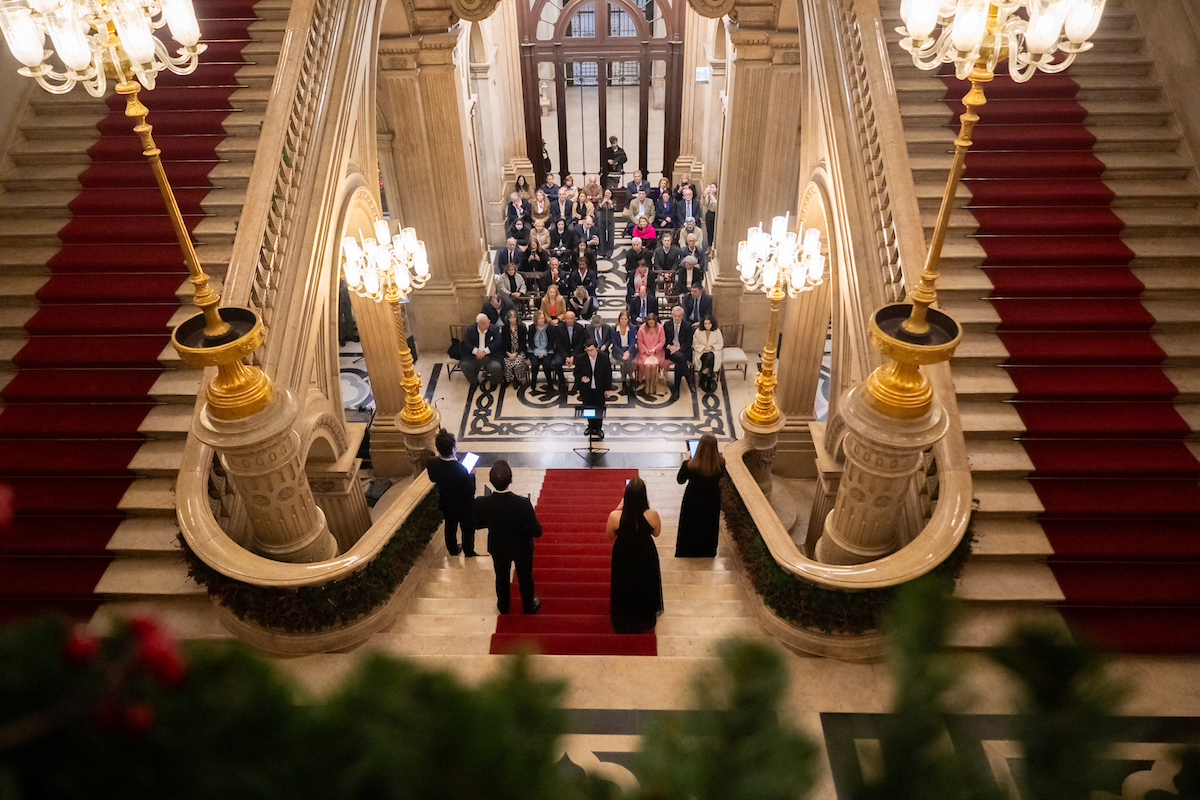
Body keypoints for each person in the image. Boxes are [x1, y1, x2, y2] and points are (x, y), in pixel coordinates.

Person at [474, 460, 541, 615]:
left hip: (498, 547)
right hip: (522, 548)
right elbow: (536, 531)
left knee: (501, 577)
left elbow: (477, 524)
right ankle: (528, 605)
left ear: (490, 481)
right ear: (511, 479)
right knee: (525, 577)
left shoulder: (482, 503)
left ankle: (503, 607)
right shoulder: (523, 504)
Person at [606, 477, 663, 634]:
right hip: (645, 552)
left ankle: (625, 609)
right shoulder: (653, 515)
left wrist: (620, 507)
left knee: (624, 580)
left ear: (626, 496)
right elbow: (656, 534)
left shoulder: (614, 516)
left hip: (623, 553)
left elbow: (610, 536)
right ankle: (643, 609)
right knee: (644, 580)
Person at [426, 429, 477, 557]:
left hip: (446, 502)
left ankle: (453, 548)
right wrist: (471, 476)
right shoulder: (461, 470)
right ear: (453, 448)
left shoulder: (432, 463)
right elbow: (470, 492)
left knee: (450, 525)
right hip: (463, 505)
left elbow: (433, 478)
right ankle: (468, 550)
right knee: (467, 528)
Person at [674, 434, 726, 557]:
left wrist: (686, 460)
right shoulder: (720, 463)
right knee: (709, 525)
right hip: (712, 498)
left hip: (693, 499)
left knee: (690, 525)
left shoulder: (691, 465)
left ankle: (686, 551)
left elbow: (680, 480)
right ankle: (707, 551)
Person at [577, 340, 612, 438]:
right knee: (588, 407)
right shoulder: (581, 358)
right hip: (586, 389)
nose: (589, 352)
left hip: (599, 388)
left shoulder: (604, 358)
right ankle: (590, 426)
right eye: (587, 350)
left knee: (599, 408)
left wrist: (607, 388)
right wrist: (581, 378)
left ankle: (598, 428)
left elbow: (608, 374)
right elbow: (576, 372)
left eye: (591, 350)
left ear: (597, 348)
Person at [552, 309, 588, 395]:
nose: (569, 320)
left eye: (571, 318)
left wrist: (573, 356)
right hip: (563, 351)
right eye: (567, 318)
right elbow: (559, 344)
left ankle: (577, 383)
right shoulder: (559, 328)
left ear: (574, 319)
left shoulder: (579, 328)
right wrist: (566, 357)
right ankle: (562, 381)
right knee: (557, 362)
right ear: (564, 319)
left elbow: (580, 343)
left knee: (581, 361)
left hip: (576, 351)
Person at [461, 313, 502, 388]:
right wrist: (476, 351)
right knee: (464, 365)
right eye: (484, 323)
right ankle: (474, 381)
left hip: (490, 355)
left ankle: (494, 381)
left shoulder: (494, 329)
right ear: (478, 323)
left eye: (488, 322)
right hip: (473, 355)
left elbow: (498, 342)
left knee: (496, 367)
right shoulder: (470, 330)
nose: (487, 324)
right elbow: (466, 343)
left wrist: (485, 351)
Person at [662, 305, 694, 400]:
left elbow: (688, 343)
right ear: (672, 315)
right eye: (675, 316)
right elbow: (663, 341)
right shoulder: (667, 325)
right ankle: (688, 379)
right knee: (680, 360)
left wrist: (678, 348)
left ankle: (676, 388)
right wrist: (669, 347)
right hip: (670, 351)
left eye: (679, 316)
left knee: (679, 362)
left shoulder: (687, 326)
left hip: (683, 351)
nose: (677, 318)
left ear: (682, 316)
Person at [635, 312, 665, 396]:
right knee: (647, 365)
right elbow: (639, 342)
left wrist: (654, 349)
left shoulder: (660, 327)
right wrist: (646, 350)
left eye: (653, 323)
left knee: (654, 365)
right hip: (645, 352)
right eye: (649, 323)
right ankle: (647, 384)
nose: (651, 325)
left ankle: (652, 384)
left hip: (657, 352)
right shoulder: (642, 328)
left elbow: (662, 341)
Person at [693, 315, 723, 393]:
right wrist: (704, 348)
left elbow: (720, 343)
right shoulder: (698, 331)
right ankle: (709, 378)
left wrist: (712, 347)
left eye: (709, 323)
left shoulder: (717, 331)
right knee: (709, 357)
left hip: (713, 351)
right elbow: (695, 343)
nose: (707, 325)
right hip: (701, 352)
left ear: (712, 323)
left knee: (711, 356)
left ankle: (704, 373)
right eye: (705, 324)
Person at [611, 308, 638, 395]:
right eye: (622, 319)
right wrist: (623, 353)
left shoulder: (633, 328)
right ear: (619, 319)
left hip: (630, 350)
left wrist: (628, 352)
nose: (623, 321)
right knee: (624, 361)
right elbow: (614, 344)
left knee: (627, 360)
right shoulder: (613, 329)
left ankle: (628, 380)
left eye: (625, 319)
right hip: (618, 351)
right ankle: (628, 380)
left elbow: (633, 342)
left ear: (628, 320)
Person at [500, 309, 530, 387]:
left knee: (517, 363)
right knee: (507, 363)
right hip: (508, 351)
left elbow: (523, 343)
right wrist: (508, 353)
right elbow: (503, 343)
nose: (512, 319)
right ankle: (508, 379)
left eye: (514, 317)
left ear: (517, 318)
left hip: (519, 351)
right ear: (508, 319)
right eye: (510, 318)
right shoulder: (504, 328)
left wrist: (516, 353)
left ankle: (517, 379)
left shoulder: (522, 327)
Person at [527, 309, 555, 389]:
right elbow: (530, 341)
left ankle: (550, 383)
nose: (541, 320)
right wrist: (536, 351)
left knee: (546, 364)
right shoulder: (532, 327)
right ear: (536, 319)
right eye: (539, 318)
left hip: (547, 350)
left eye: (542, 318)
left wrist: (544, 351)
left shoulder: (550, 328)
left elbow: (552, 342)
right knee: (535, 364)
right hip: (534, 350)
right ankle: (533, 382)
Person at [595, 188, 616, 258]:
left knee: (610, 236)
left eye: (609, 193)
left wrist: (610, 204)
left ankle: (609, 251)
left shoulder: (613, 200)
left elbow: (615, 208)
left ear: (611, 194)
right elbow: (598, 208)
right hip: (602, 219)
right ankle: (602, 251)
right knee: (601, 235)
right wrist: (603, 202)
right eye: (606, 193)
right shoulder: (600, 200)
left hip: (610, 220)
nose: (607, 194)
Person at [702, 182, 718, 248]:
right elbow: (704, 204)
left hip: (716, 214)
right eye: (710, 187)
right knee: (709, 231)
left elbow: (715, 204)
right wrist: (704, 195)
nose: (711, 189)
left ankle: (714, 247)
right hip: (709, 213)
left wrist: (711, 196)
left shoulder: (717, 197)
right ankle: (709, 246)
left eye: (713, 187)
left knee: (715, 231)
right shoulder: (708, 196)